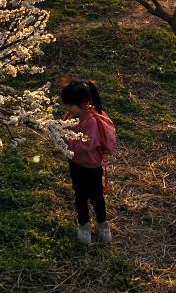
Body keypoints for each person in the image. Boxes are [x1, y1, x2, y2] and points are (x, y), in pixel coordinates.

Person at [61, 79, 112, 245]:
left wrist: (66, 141)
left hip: (92, 166)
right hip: (75, 163)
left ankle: (102, 224)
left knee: (97, 196)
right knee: (80, 195)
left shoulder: (91, 121)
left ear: (83, 103)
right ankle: (84, 224)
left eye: (70, 105)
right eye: (66, 105)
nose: (67, 108)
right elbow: (64, 130)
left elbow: (87, 143)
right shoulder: (70, 116)